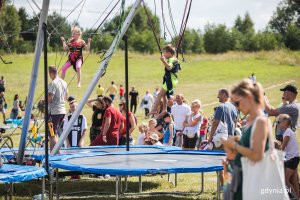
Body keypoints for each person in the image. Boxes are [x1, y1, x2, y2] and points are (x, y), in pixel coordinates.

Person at [221, 79, 270, 200]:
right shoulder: (250, 121)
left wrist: (234, 146)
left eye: (237, 103)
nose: (236, 107)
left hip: (252, 182)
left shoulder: (261, 121)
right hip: (242, 178)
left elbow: (257, 155)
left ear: (248, 97)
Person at [149, 45, 180, 115]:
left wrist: (163, 61)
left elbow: (169, 68)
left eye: (165, 53)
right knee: (164, 95)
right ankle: (164, 109)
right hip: (171, 80)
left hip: (170, 80)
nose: (163, 54)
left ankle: (154, 109)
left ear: (169, 53)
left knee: (159, 95)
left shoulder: (172, 59)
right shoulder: (174, 59)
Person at [277, 114, 299, 198]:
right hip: (295, 157)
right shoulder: (289, 131)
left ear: (285, 122)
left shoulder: (287, 133)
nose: (277, 124)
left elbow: (282, 147)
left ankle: (294, 197)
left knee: (286, 180)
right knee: (294, 180)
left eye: (279, 122)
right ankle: (297, 196)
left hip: (292, 159)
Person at [48, 65, 68, 150]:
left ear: (51, 73)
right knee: (54, 134)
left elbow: (50, 99)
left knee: (51, 135)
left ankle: (57, 152)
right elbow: (66, 97)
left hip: (54, 113)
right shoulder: (64, 83)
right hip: (62, 112)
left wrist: (43, 100)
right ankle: (52, 153)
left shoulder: (53, 83)